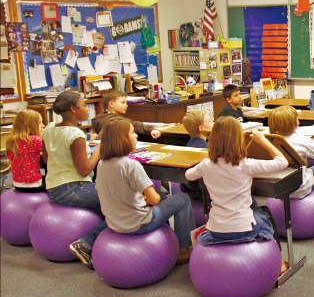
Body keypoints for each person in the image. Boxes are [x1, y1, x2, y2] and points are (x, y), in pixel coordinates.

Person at [184, 116, 288, 272]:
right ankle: (278, 261)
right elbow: (282, 162)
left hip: (216, 230)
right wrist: (262, 140)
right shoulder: (245, 164)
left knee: (251, 204)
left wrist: (206, 166)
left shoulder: (206, 165)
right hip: (243, 229)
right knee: (263, 212)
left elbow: (188, 175)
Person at [95, 117, 195, 264]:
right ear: (122, 139)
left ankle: (169, 238)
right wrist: (148, 199)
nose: (136, 136)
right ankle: (185, 248)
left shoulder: (102, 163)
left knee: (162, 195)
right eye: (132, 133)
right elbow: (154, 199)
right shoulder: (131, 165)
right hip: (138, 224)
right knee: (182, 199)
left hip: (115, 222)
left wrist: (143, 198)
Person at [41, 91, 106, 269]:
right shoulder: (75, 134)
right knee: (120, 207)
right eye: (84, 105)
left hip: (53, 187)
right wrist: (100, 150)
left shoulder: (48, 129)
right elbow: (85, 169)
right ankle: (85, 243)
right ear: (73, 109)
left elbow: (47, 160)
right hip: (74, 187)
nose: (86, 110)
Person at [92, 89, 161, 140]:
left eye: (126, 103)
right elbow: (133, 125)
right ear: (111, 104)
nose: (126, 105)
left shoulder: (100, 119)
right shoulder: (115, 121)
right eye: (123, 103)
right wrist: (151, 129)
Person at [5, 109, 46, 192]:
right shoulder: (35, 140)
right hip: (34, 185)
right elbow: (50, 153)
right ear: (31, 125)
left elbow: (12, 156)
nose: (43, 125)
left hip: (17, 184)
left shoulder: (11, 141)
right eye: (40, 123)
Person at [180, 110, 214, 200]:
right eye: (209, 121)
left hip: (190, 189)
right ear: (201, 128)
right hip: (202, 192)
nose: (213, 123)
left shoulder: (189, 144)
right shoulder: (207, 150)